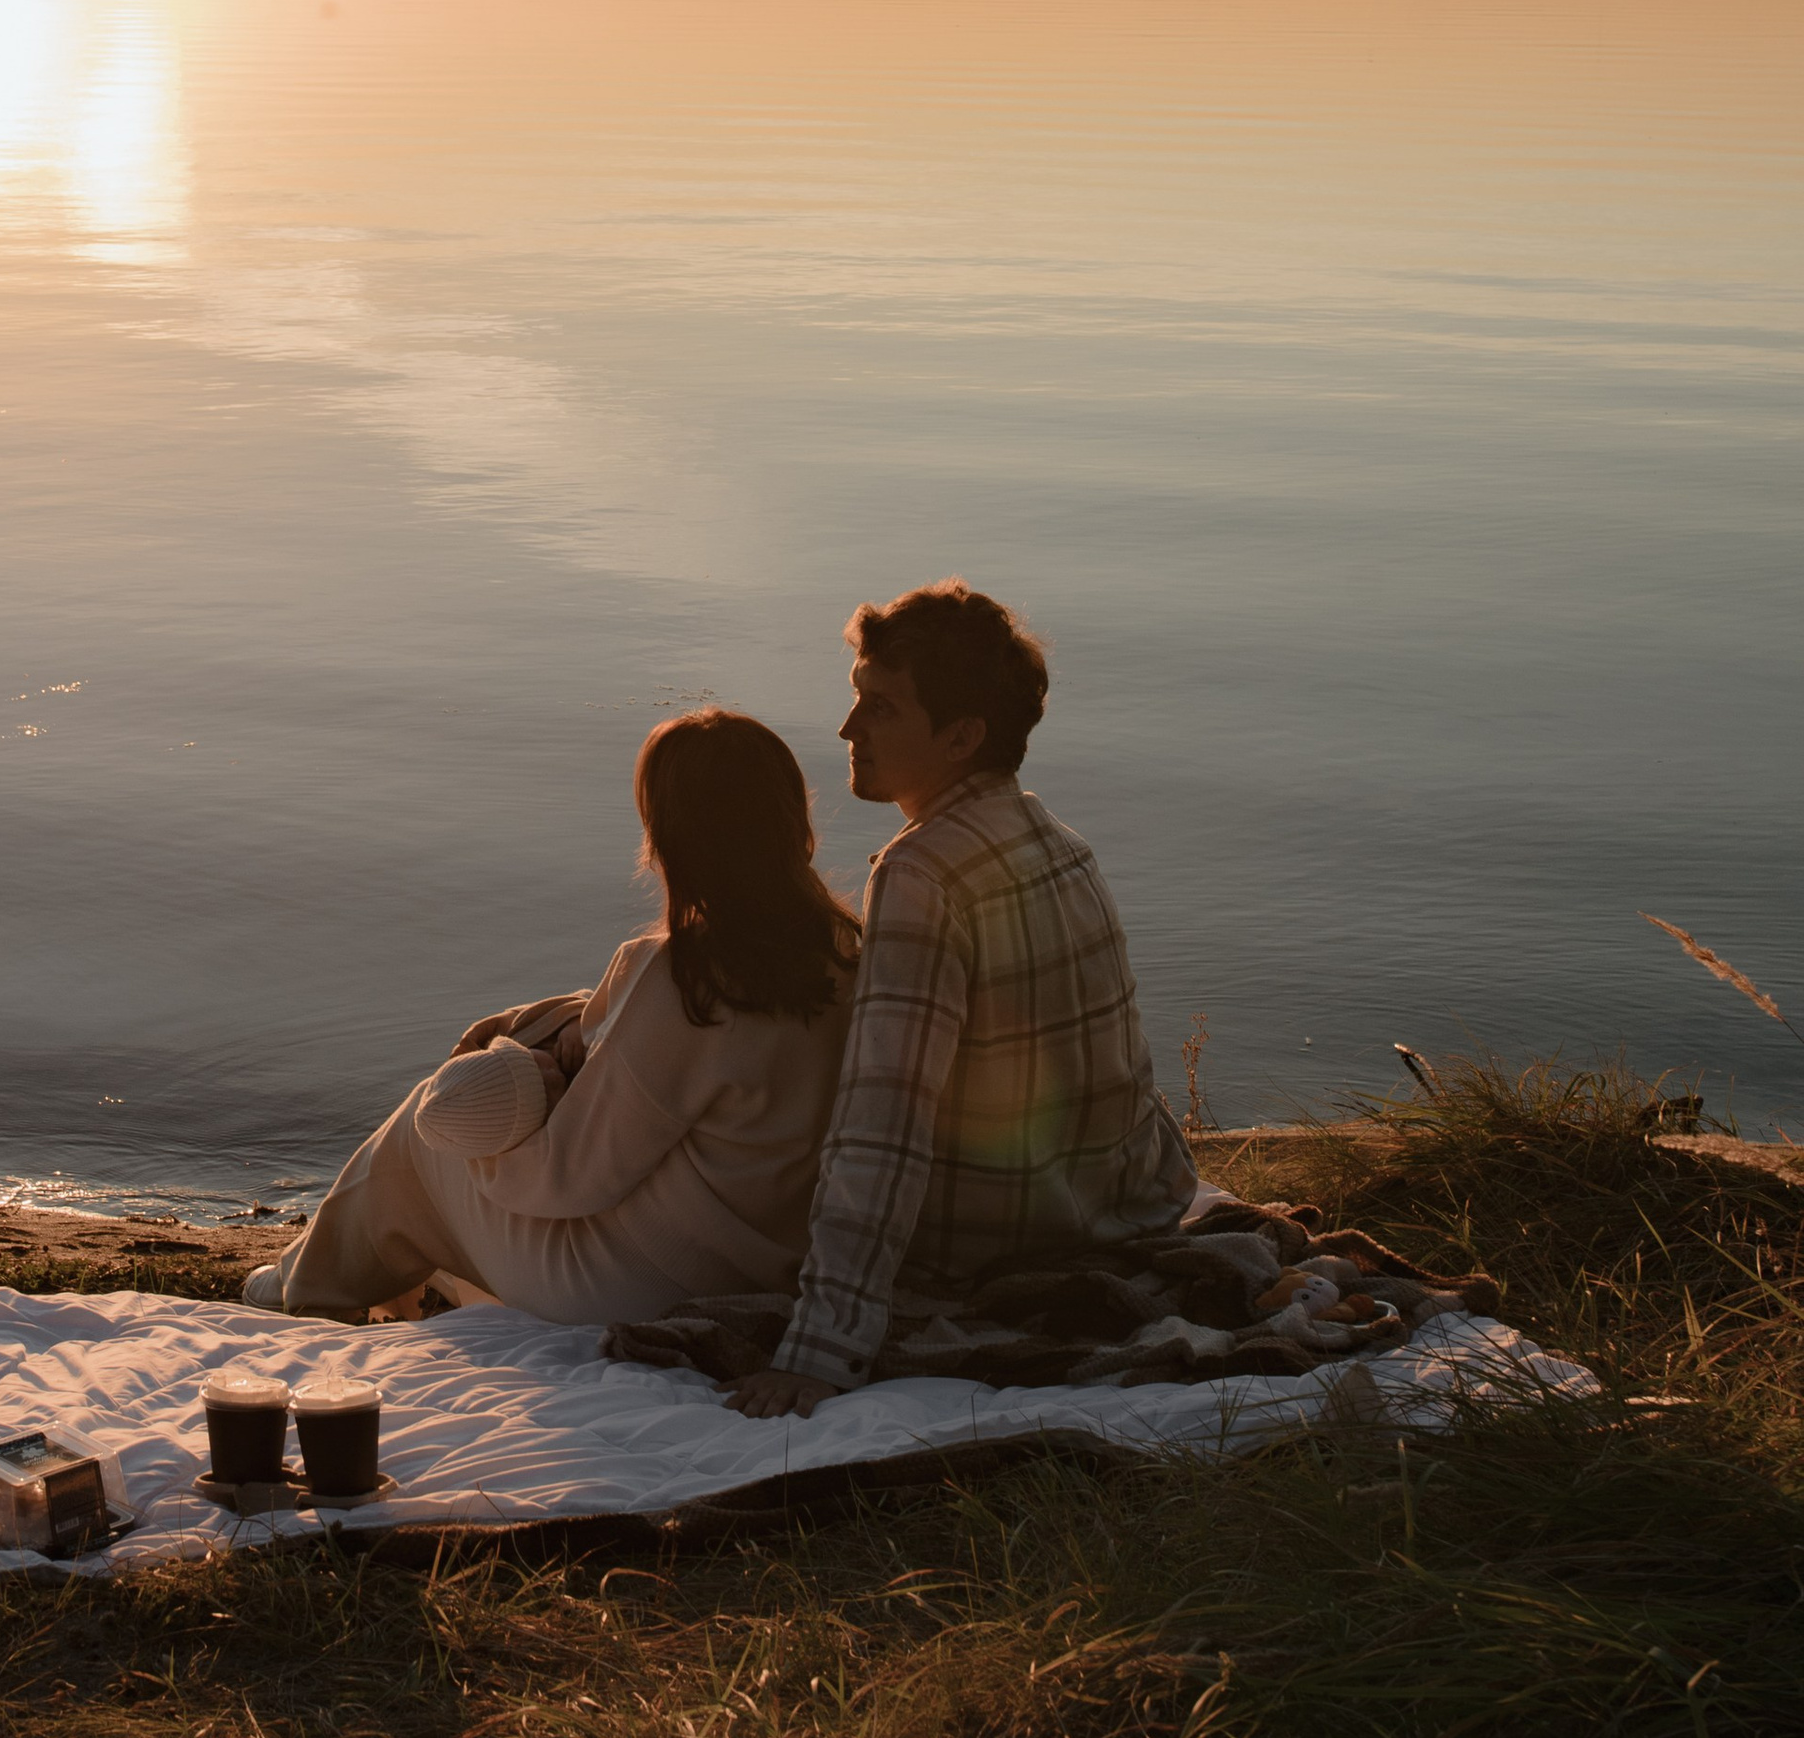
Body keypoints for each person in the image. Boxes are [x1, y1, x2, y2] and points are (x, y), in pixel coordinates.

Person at [722, 581, 1195, 1421]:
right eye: (855, 700)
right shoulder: (1059, 841)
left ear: (963, 736)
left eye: (881, 709)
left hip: (992, 1246)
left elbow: (884, 1124)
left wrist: (822, 1348)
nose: (847, 731)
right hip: (1115, 1210)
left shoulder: (922, 875)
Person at [247, 708, 858, 1328]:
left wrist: (483, 1127)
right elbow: (638, 1040)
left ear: (672, 836)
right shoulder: (844, 954)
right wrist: (560, 1026)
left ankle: (299, 1290)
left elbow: (566, 1179)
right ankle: (370, 1287)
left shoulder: (688, 975)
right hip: (765, 1268)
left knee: (423, 1134)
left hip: (639, 1288)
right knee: (449, 1135)